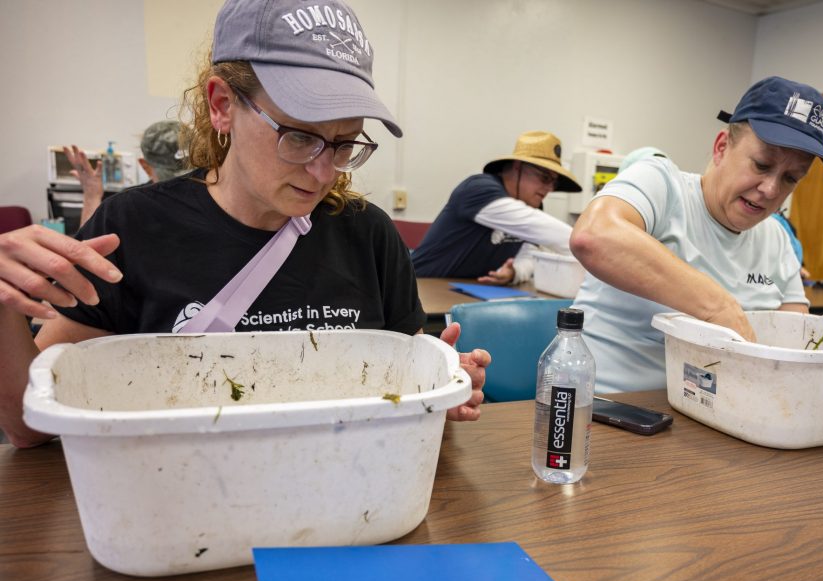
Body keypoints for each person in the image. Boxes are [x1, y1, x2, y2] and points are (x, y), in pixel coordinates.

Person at [0, 0, 488, 449]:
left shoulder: (368, 235)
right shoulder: (131, 229)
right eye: (300, 137)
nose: (324, 173)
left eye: (345, 144)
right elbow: (30, 425)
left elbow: (401, 395)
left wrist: (439, 390)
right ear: (221, 105)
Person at [569, 76, 823, 405]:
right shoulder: (662, 185)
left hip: (717, 416)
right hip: (606, 410)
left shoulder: (776, 239)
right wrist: (719, 307)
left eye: (790, 178)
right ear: (722, 147)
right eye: (762, 165)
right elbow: (594, 236)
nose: (770, 189)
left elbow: (794, 356)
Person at [411, 131, 582, 285]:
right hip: (422, 286)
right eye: (545, 178)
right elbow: (556, 235)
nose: (550, 189)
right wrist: (588, 243)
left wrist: (515, 272)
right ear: (518, 167)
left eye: (554, 183)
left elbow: (529, 254)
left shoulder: (531, 207)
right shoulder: (479, 190)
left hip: (471, 290)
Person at [62, 120, 189, 226]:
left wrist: (92, 196)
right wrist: (92, 196)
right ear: (145, 167)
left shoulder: (126, 205)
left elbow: (88, 244)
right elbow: (89, 245)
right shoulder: (128, 207)